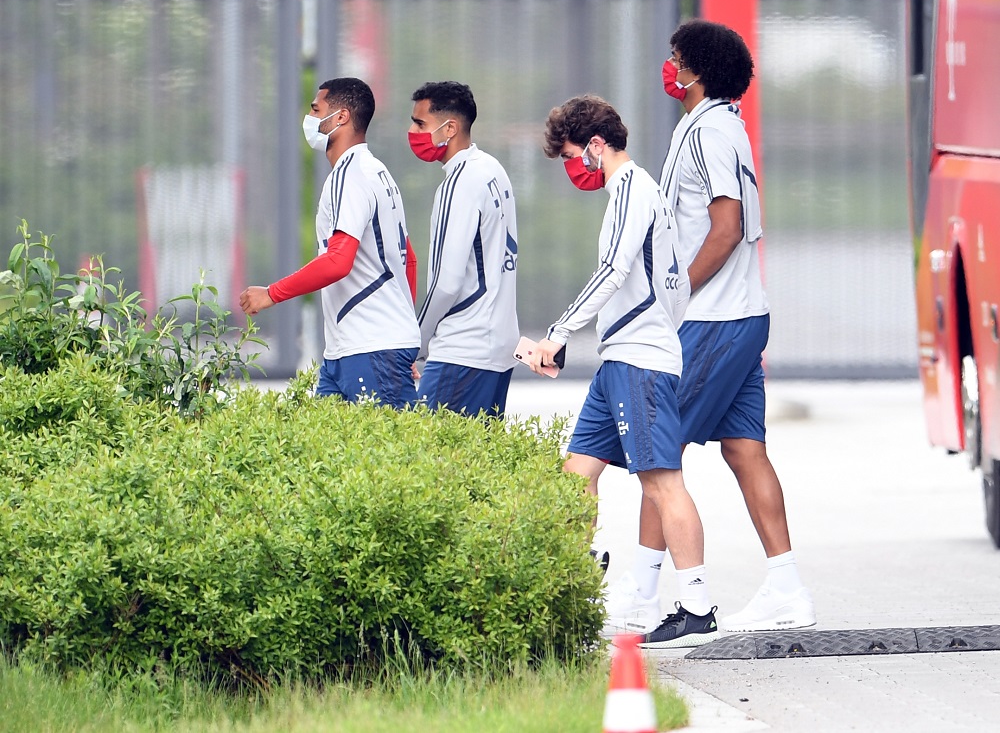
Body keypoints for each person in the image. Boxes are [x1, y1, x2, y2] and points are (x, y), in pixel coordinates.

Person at [605, 19, 816, 636]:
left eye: (676, 58)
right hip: (740, 316)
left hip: (713, 319)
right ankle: (786, 587)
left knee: (657, 450)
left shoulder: (708, 132)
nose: (669, 68)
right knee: (744, 449)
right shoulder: (718, 125)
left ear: (696, 69)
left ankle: (645, 592)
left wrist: (674, 295)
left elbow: (726, 228)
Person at [529, 94, 717, 649]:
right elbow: (675, 287)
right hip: (620, 359)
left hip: (640, 362)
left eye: (571, 156)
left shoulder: (634, 190)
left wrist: (558, 333)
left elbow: (613, 270)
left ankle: (697, 608)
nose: (572, 169)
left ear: (595, 145)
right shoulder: (632, 193)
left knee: (662, 482)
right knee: (576, 473)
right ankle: (576, 584)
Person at [239, 77, 420, 410]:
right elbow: (408, 258)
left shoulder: (352, 175)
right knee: (321, 442)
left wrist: (271, 294)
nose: (308, 119)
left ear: (341, 117)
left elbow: (338, 261)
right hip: (350, 350)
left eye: (315, 109)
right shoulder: (377, 172)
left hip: (370, 346)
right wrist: (404, 333)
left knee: (383, 444)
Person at [407, 81, 519, 417]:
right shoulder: (492, 169)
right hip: (498, 347)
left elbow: (446, 282)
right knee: (477, 450)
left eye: (420, 124)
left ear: (450, 128)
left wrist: (415, 344)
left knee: (425, 448)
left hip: (463, 349)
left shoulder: (458, 183)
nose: (412, 132)